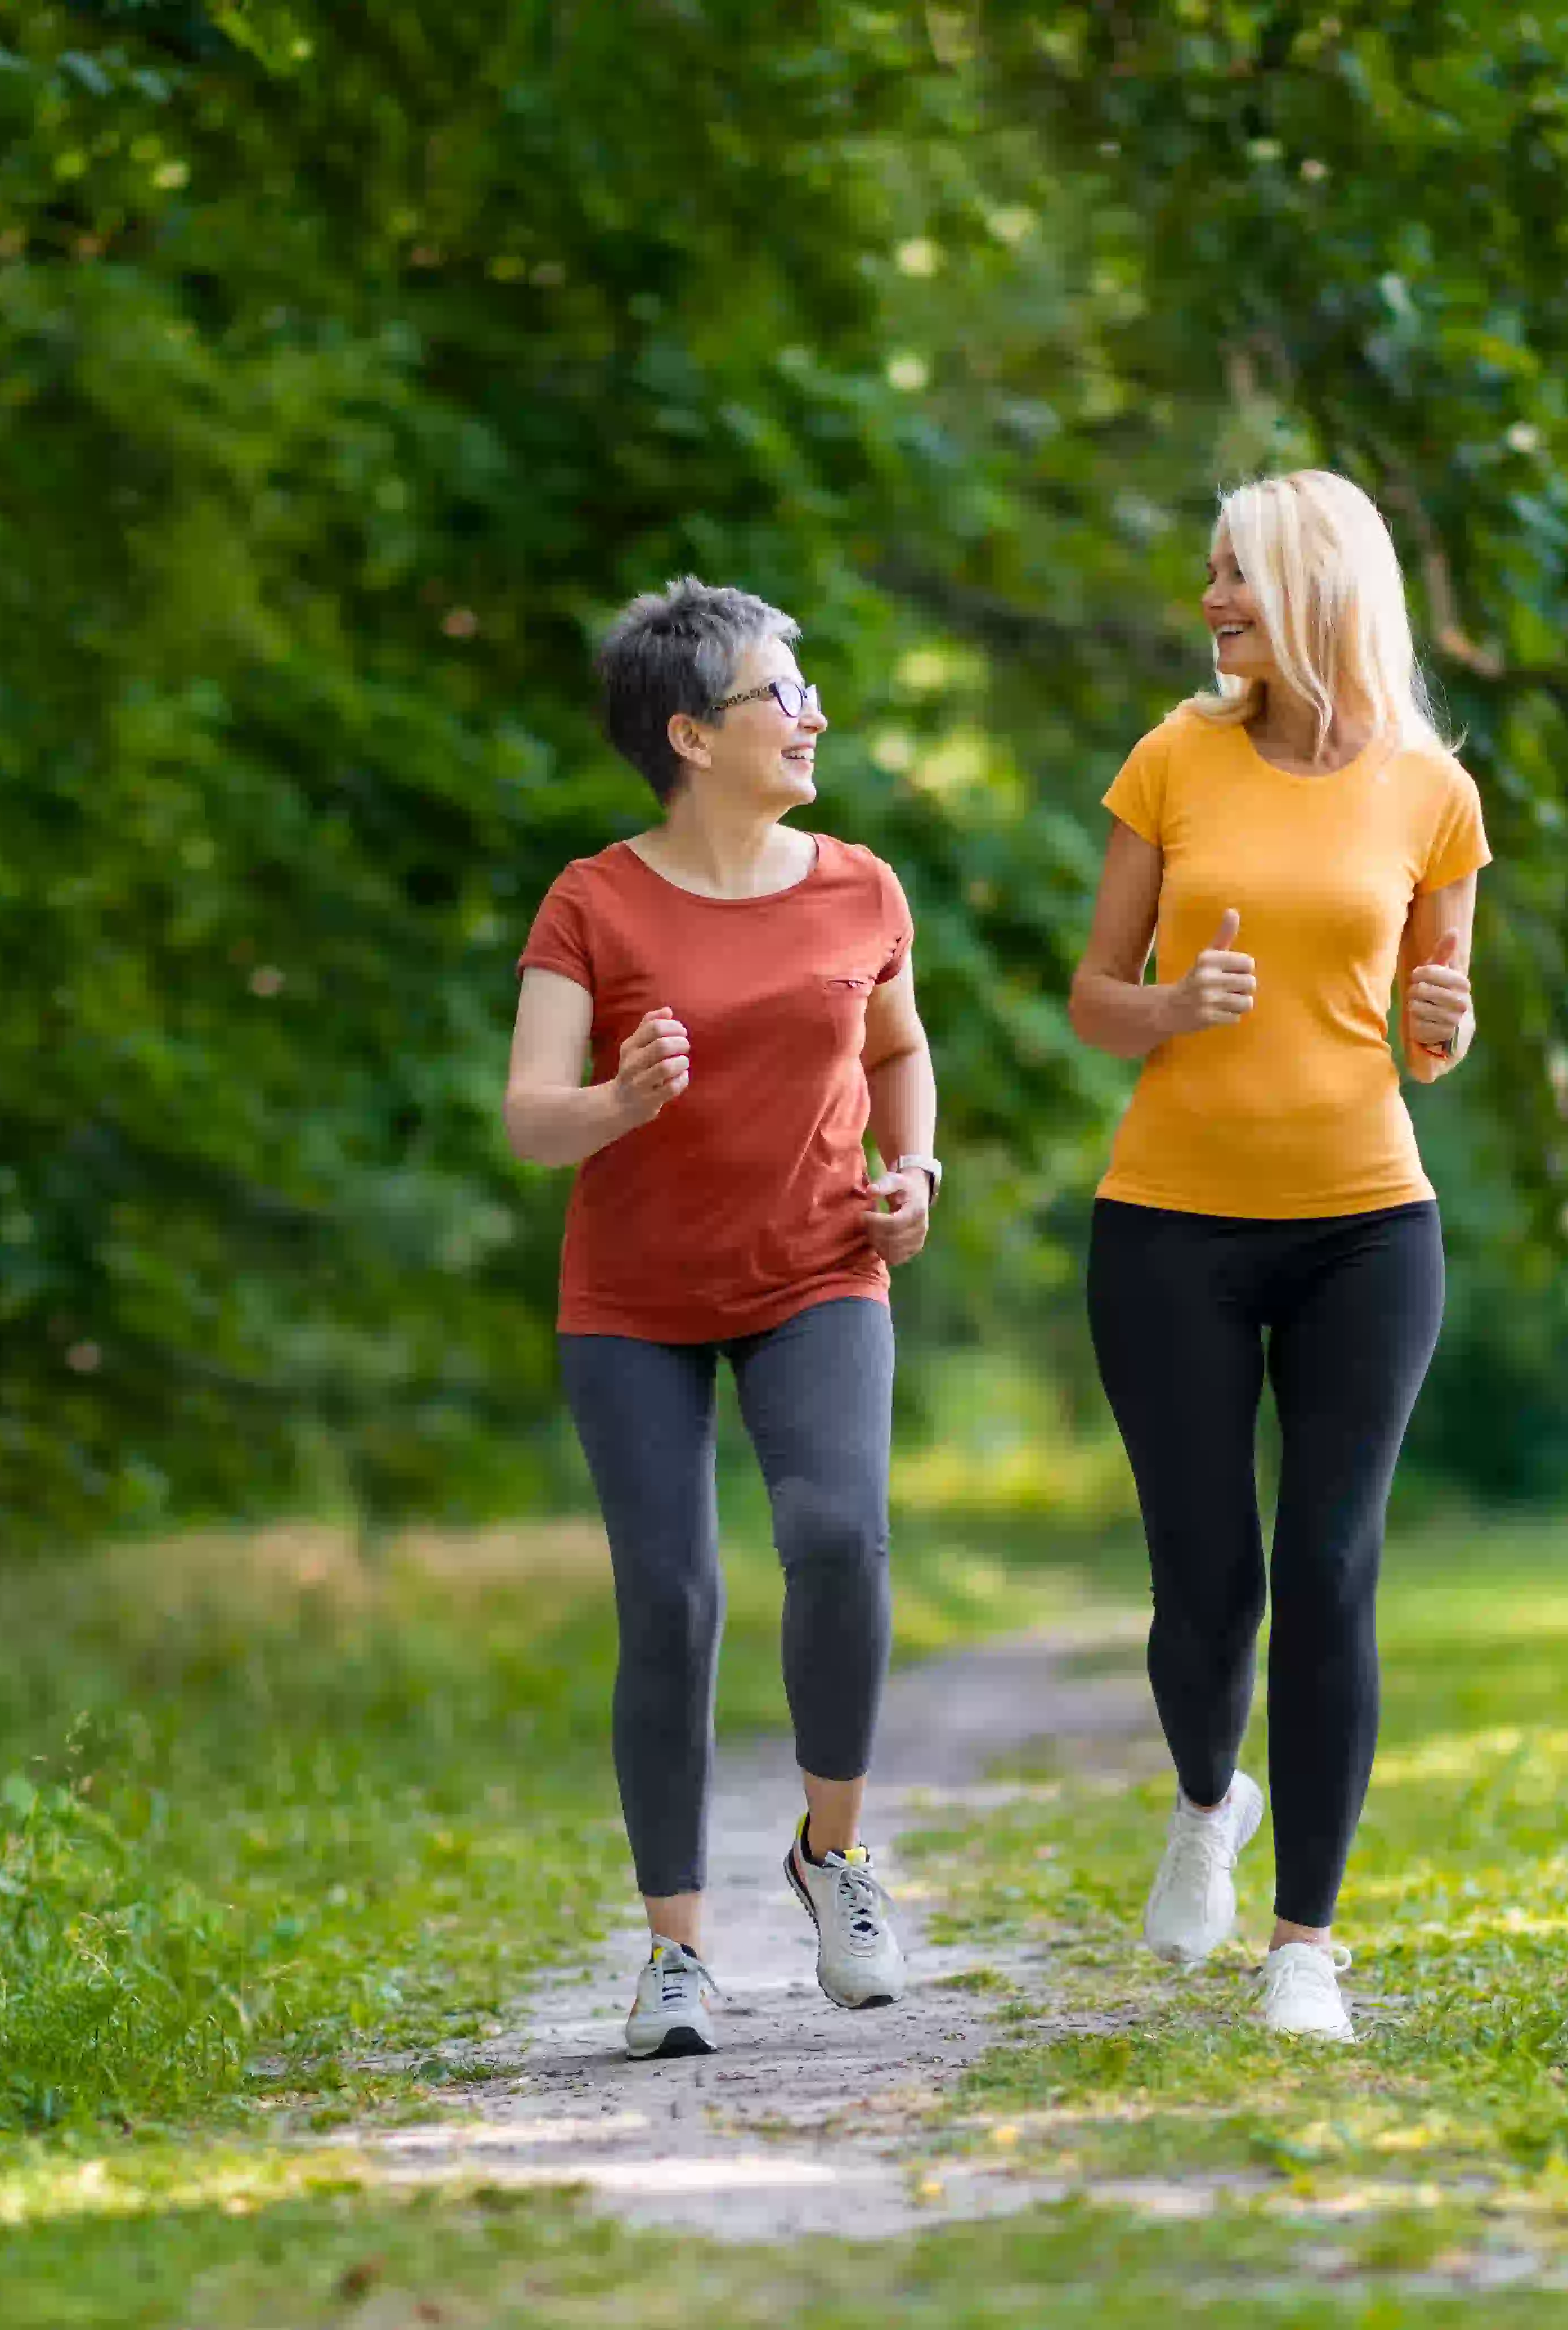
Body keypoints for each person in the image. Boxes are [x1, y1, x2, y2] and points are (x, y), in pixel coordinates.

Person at [1065, 470, 1487, 2042]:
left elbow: (1431, 1027)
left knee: (1329, 1566)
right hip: (1168, 1223)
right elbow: (1095, 994)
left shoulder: (1434, 793)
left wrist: (1445, 1023)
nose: (1211, 600)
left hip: (1369, 1225)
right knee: (1205, 1583)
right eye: (1210, 574)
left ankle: (1304, 1940)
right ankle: (1204, 1799)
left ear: (1315, 586)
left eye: (1234, 573)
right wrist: (1173, 1009)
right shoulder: (1176, 759)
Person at [505, 577, 944, 2060]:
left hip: (821, 1264)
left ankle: (834, 1855)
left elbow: (898, 1049)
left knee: (837, 1535)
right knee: (674, 1599)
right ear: (691, 733)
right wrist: (614, 1100)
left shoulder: (860, 886)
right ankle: (677, 1949)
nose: (813, 713)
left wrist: (918, 1169)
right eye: (784, 694)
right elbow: (529, 1115)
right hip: (632, 1301)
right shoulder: (593, 901)